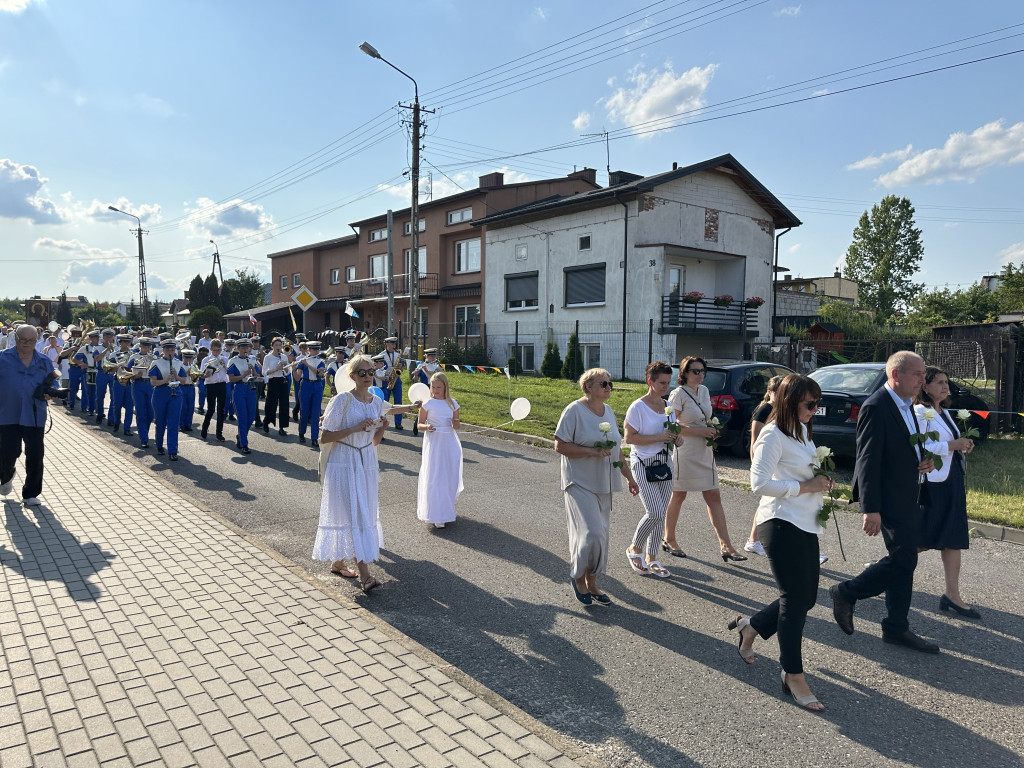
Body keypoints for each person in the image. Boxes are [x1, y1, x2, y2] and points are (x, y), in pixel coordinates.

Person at [732, 374, 832, 712]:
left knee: (807, 599)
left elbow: (803, 475)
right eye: (810, 404)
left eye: (818, 404)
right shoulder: (772, 435)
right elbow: (758, 484)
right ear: (790, 402)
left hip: (805, 523)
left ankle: (752, 627)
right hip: (779, 522)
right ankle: (793, 673)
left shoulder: (802, 432)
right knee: (794, 599)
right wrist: (806, 487)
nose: (815, 410)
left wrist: (820, 482)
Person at [829, 351, 940, 653]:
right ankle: (847, 592)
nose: (922, 380)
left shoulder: (908, 405)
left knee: (905, 561)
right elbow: (867, 460)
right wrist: (871, 508)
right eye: (917, 374)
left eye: (923, 374)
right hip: (888, 498)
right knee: (905, 559)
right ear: (896, 375)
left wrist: (923, 460)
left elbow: (903, 447)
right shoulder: (877, 406)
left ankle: (895, 627)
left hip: (907, 493)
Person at [554, 368, 640, 605]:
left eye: (609, 384)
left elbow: (616, 450)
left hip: (605, 482)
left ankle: (593, 582)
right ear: (588, 387)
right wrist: (591, 452)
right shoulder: (574, 411)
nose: (608, 387)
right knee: (590, 533)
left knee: (601, 536)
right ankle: (578, 577)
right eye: (603, 383)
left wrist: (629, 477)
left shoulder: (609, 411)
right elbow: (560, 446)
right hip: (579, 481)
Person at [314, 354, 390, 593]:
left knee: (361, 510)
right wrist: (356, 428)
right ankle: (365, 576)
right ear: (352, 376)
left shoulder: (377, 401)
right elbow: (325, 437)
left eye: (370, 372)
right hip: (343, 461)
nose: (367, 376)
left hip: (366, 460)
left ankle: (338, 562)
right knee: (355, 512)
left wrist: (382, 429)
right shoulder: (341, 400)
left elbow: (375, 441)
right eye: (362, 373)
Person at [663, 356, 747, 562]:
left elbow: (706, 418)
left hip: (704, 450)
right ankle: (669, 538)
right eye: (695, 371)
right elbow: (672, 426)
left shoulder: (705, 391)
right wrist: (701, 431)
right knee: (679, 495)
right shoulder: (677, 394)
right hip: (686, 450)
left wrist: (713, 430)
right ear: (685, 373)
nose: (700, 374)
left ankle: (726, 545)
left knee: (713, 495)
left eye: (702, 371)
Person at [914, 366, 979, 618]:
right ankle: (886, 568)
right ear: (925, 386)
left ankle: (953, 595)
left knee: (952, 537)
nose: (945, 386)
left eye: (946, 382)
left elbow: (949, 443)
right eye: (939, 382)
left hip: (951, 479)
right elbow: (921, 445)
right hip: (932, 481)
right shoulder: (921, 411)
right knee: (923, 537)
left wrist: (964, 444)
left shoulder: (944, 411)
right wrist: (953, 444)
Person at [624, 361, 683, 578]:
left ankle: (652, 557)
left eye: (668, 382)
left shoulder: (667, 407)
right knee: (655, 511)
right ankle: (635, 549)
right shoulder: (638, 407)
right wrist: (659, 437)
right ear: (650, 381)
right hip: (642, 462)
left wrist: (677, 439)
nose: (665, 387)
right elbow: (629, 438)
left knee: (662, 513)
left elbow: (674, 433)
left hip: (665, 463)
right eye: (661, 382)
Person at [0, 325, 60, 506]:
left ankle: (31, 493)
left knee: (35, 454)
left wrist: (51, 392)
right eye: (23, 340)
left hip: (34, 414)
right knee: (8, 453)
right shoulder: (2, 357)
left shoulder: (43, 361)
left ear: (36, 340)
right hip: (6, 414)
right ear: (15, 338)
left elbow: (54, 382)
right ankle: (6, 474)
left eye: (31, 340)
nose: (27, 344)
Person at [415, 372, 464, 529]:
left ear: (445, 387)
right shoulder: (427, 404)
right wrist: (427, 427)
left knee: (450, 476)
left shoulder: (452, 404)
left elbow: (457, 425)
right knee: (435, 475)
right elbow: (419, 425)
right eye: (433, 387)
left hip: (449, 442)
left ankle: (446, 510)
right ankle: (436, 513)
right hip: (434, 442)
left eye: (438, 387)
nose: (435, 390)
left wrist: (454, 422)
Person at [744, 376, 784, 557]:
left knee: (767, 501)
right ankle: (754, 540)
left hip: (774, 459)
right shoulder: (765, 409)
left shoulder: (779, 409)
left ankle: (755, 540)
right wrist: (755, 464)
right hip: (764, 461)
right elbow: (755, 439)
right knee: (766, 501)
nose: (780, 396)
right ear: (769, 392)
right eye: (777, 392)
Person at [149, 338, 188, 460]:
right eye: (168, 350)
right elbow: (153, 382)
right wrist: (165, 380)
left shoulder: (178, 362)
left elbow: (184, 380)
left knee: (173, 422)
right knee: (160, 421)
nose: (170, 352)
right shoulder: (156, 363)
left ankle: (172, 450)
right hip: (161, 392)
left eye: (172, 349)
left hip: (176, 392)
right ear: (163, 350)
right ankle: (159, 445)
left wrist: (176, 375)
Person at [226, 338, 261, 454]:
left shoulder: (252, 359)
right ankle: (244, 444)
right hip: (239, 388)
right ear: (237, 348)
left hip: (251, 388)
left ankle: (241, 436)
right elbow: (231, 378)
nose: (245, 350)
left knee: (251, 417)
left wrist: (253, 370)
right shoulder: (233, 361)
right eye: (243, 348)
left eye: (247, 347)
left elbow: (258, 375)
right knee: (242, 417)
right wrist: (243, 375)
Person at [127, 337, 156, 449]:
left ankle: (144, 431)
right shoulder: (134, 357)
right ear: (140, 347)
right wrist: (135, 375)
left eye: (147, 347)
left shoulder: (153, 357)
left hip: (150, 384)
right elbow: (127, 371)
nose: (145, 349)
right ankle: (143, 438)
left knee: (150, 413)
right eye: (143, 347)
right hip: (138, 384)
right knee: (140, 412)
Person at [297, 340, 326, 448]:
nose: (316, 351)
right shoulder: (303, 361)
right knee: (304, 412)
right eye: (314, 349)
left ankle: (314, 437)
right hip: (306, 385)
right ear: (308, 350)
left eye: (317, 349)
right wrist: (294, 367)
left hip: (317, 386)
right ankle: (301, 433)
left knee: (315, 413)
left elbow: (319, 373)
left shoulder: (320, 362)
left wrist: (307, 364)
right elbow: (297, 377)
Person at [200, 339, 228, 442]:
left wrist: (224, 365)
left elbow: (228, 372)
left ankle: (219, 433)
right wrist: (206, 374)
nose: (217, 352)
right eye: (214, 350)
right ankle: (204, 429)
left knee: (221, 409)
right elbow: (202, 374)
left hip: (222, 384)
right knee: (211, 409)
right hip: (211, 385)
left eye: (218, 350)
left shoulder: (224, 358)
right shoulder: (206, 360)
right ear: (210, 349)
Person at [262, 336, 291, 435]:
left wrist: (285, 367)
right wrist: (276, 369)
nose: (278, 347)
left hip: (282, 381)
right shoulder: (268, 357)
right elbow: (264, 372)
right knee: (271, 404)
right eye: (276, 345)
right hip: (273, 381)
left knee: (284, 404)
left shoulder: (284, 356)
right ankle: (266, 422)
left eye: (280, 345)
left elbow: (288, 372)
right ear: (272, 346)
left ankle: (282, 427)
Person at [411, 348, 441, 436]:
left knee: (434, 407)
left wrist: (427, 370)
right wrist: (416, 374)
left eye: (434, 356)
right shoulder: (421, 365)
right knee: (423, 407)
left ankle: (433, 425)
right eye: (430, 356)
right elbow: (415, 380)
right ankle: (416, 424)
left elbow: (434, 376)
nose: (432, 358)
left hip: (434, 388)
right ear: (426, 356)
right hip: (424, 388)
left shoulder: (436, 366)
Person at [73, 328, 103, 415]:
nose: (96, 339)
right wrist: (82, 364)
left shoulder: (101, 347)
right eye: (93, 337)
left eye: (97, 337)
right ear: (90, 338)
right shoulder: (85, 348)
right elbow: (75, 359)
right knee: (89, 391)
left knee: (99, 391)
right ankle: (88, 408)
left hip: (99, 371)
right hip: (89, 370)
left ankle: (98, 409)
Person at [380, 337, 405, 430]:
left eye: (394, 344)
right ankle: (382, 422)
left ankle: (398, 423)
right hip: (386, 379)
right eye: (391, 343)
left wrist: (400, 366)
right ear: (387, 344)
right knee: (384, 402)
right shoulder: (381, 355)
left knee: (398, 401)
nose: (394, 345)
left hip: (396, 379)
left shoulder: (397, 354)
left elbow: (401, 368)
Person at [93, 329, 117, 425]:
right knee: (99, 395)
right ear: (103, 338)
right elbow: (96, 358)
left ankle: (111, 418)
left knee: (113, 396)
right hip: (101, 372)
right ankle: (99, 413)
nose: (108, 339)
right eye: (106, 337)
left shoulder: (117, 348)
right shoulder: (97, 348)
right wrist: (107, 349)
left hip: (112, 373)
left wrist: (113, 351)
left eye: (110, 337)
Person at [178, 348, 197, 433]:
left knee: (190, 407)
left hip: (191, 386)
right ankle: (181, 424)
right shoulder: (179, 365)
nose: (188, 360)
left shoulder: (194, 365)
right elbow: (179, 377)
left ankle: (188, 424)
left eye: (190, 358)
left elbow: (196, 378)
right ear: (183, 357)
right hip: (182, 387)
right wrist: (187, 372)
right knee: (183, 407)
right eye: (186, 358)